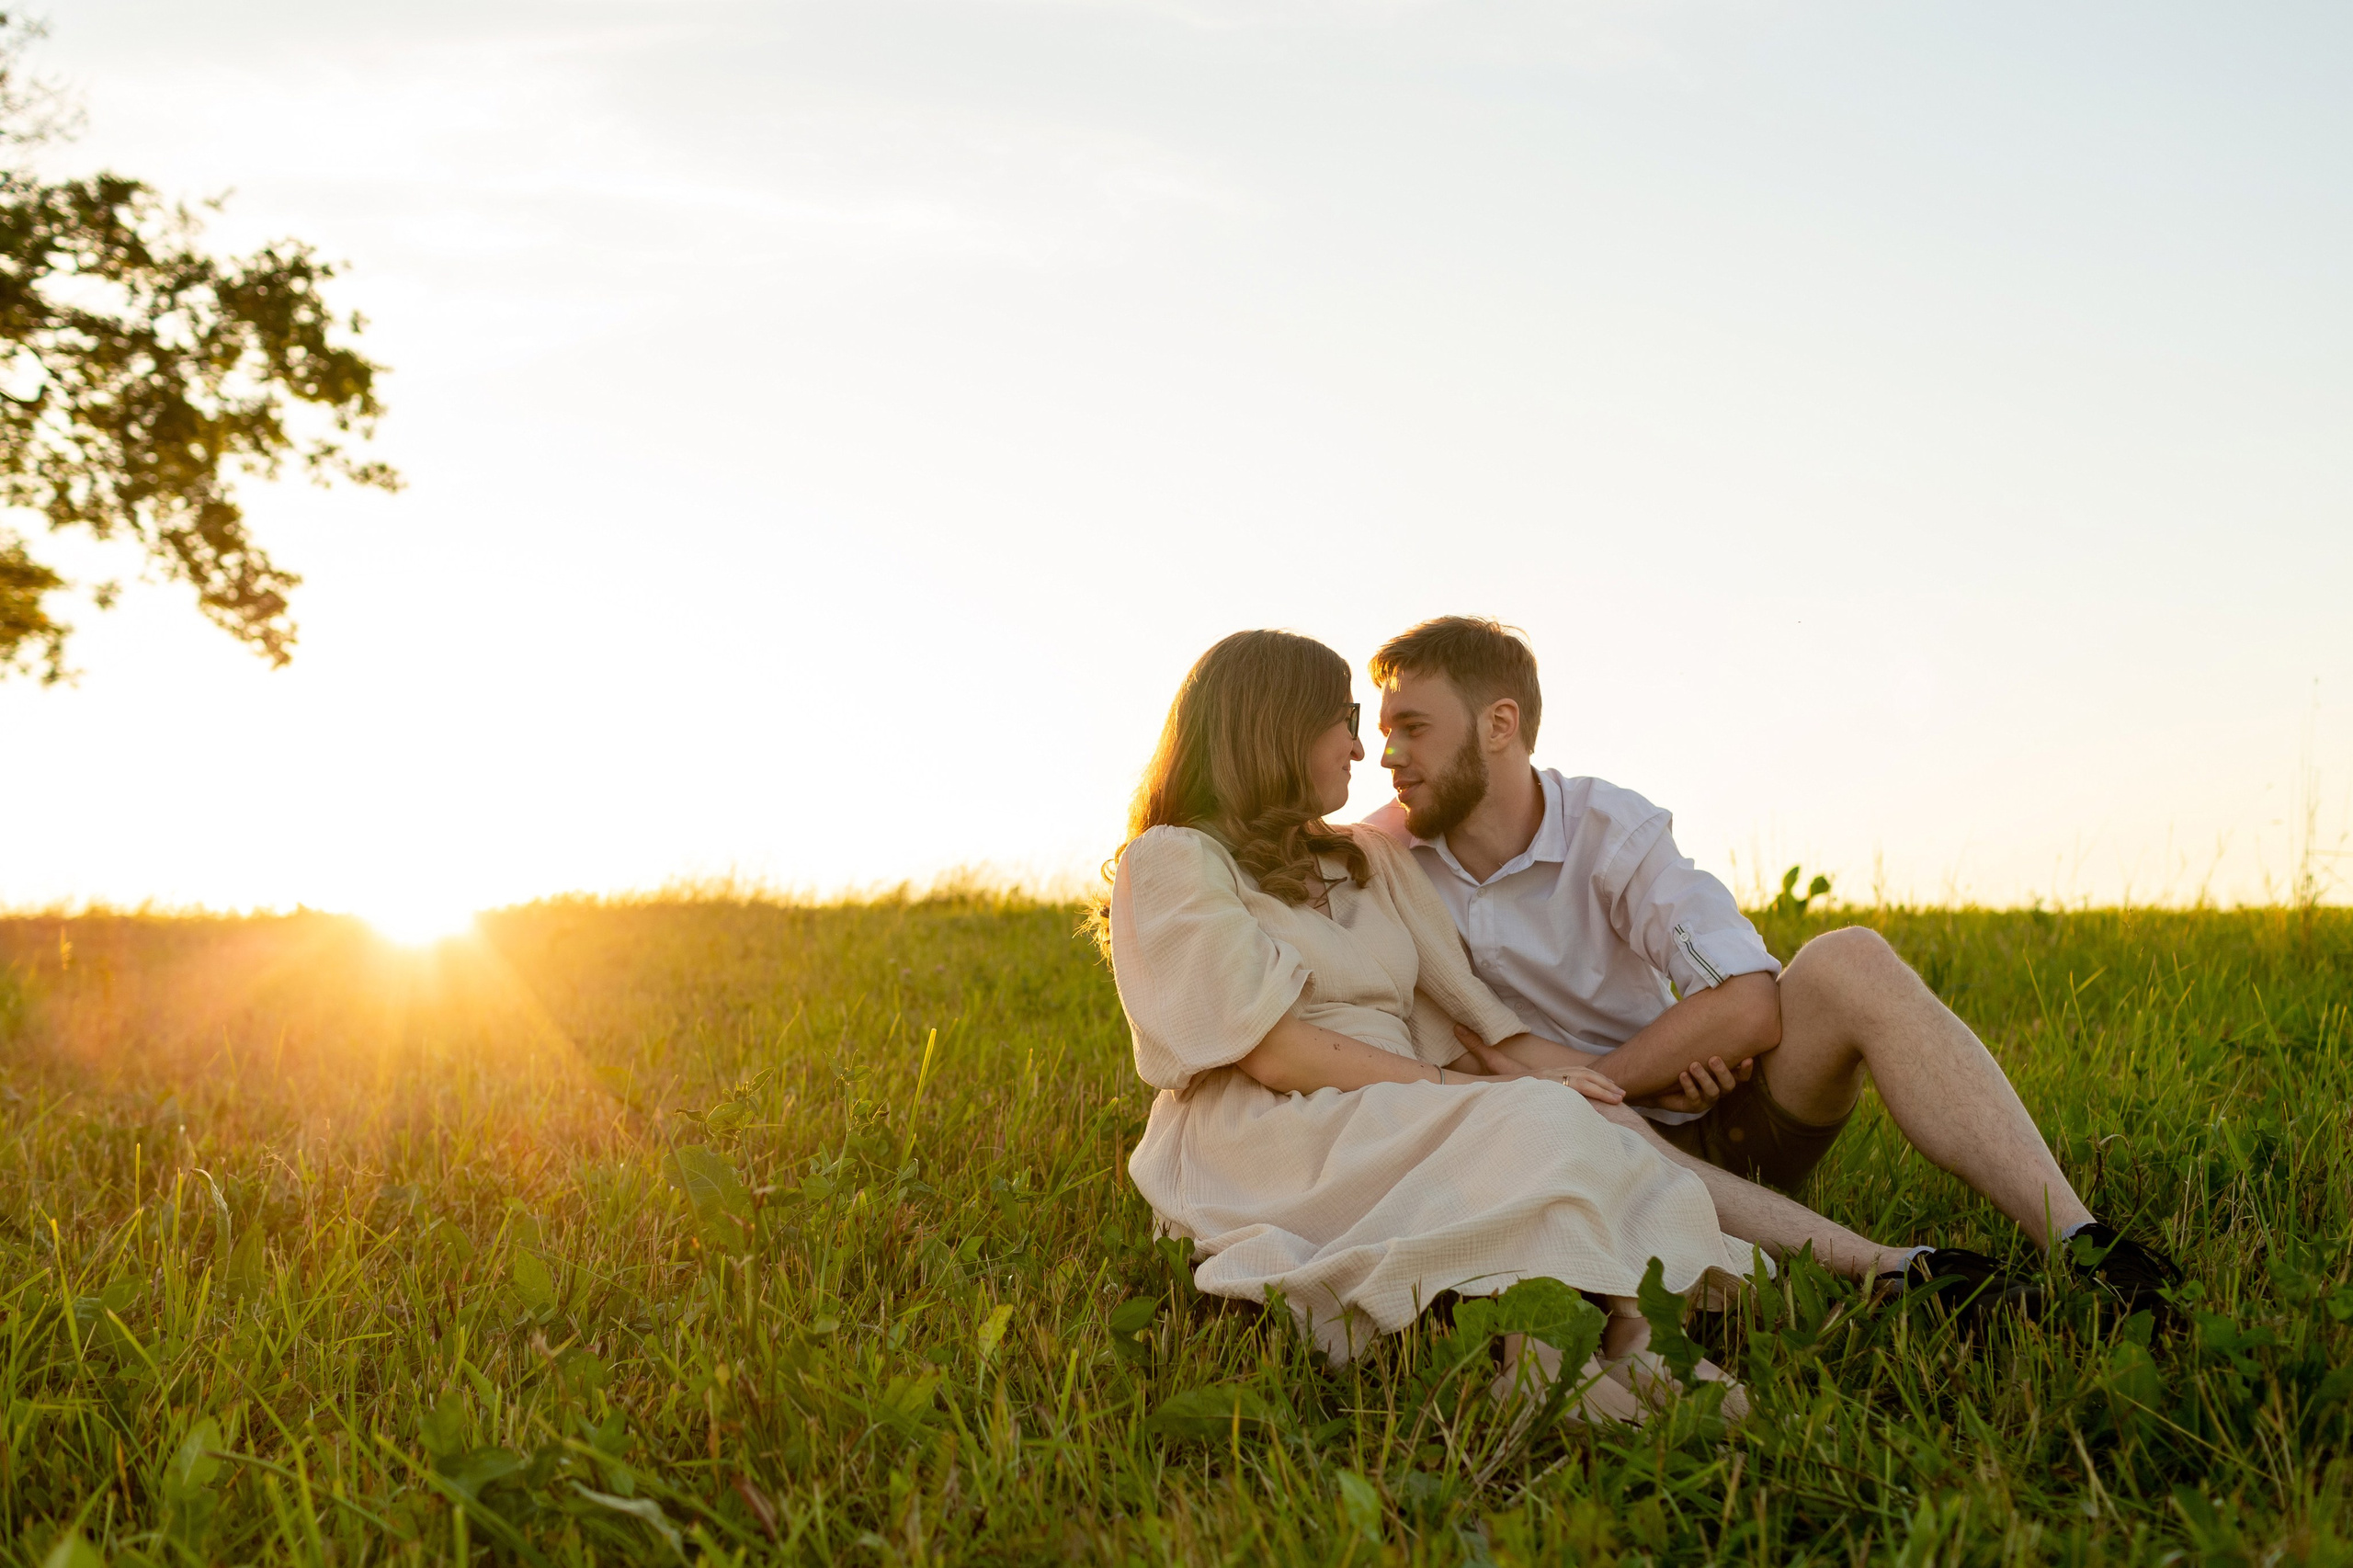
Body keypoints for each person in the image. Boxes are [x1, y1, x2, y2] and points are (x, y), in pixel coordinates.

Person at [1357, 616, 2180, 1311]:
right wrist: (1598, 1097)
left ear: (1499, 725)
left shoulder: (1608, 829)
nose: (1388, 754)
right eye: (1386, 730)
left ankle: (2084, 1241)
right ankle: (1905, 1276)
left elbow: (1748, 1002)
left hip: (1714, 1113)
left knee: (1849, 958)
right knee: (1572, 1118)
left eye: (1413, 727)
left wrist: (1613, 1079)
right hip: (1567, 1144)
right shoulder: (1378, 857)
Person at [1101, 629, 1765, 1419]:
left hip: (1390, 1106)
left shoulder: (1370, 857)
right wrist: (1464, 1092)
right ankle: (1544, 1362)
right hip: (1266, 1131)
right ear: (1277, 725)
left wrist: (1617, 1084)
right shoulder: (1174, 859)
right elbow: (1276, 1052)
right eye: (1347, 721)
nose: (1362, 750)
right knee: (1524, 1117)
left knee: (1560, 1115)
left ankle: (1633, 1337)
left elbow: (1477, 1030)